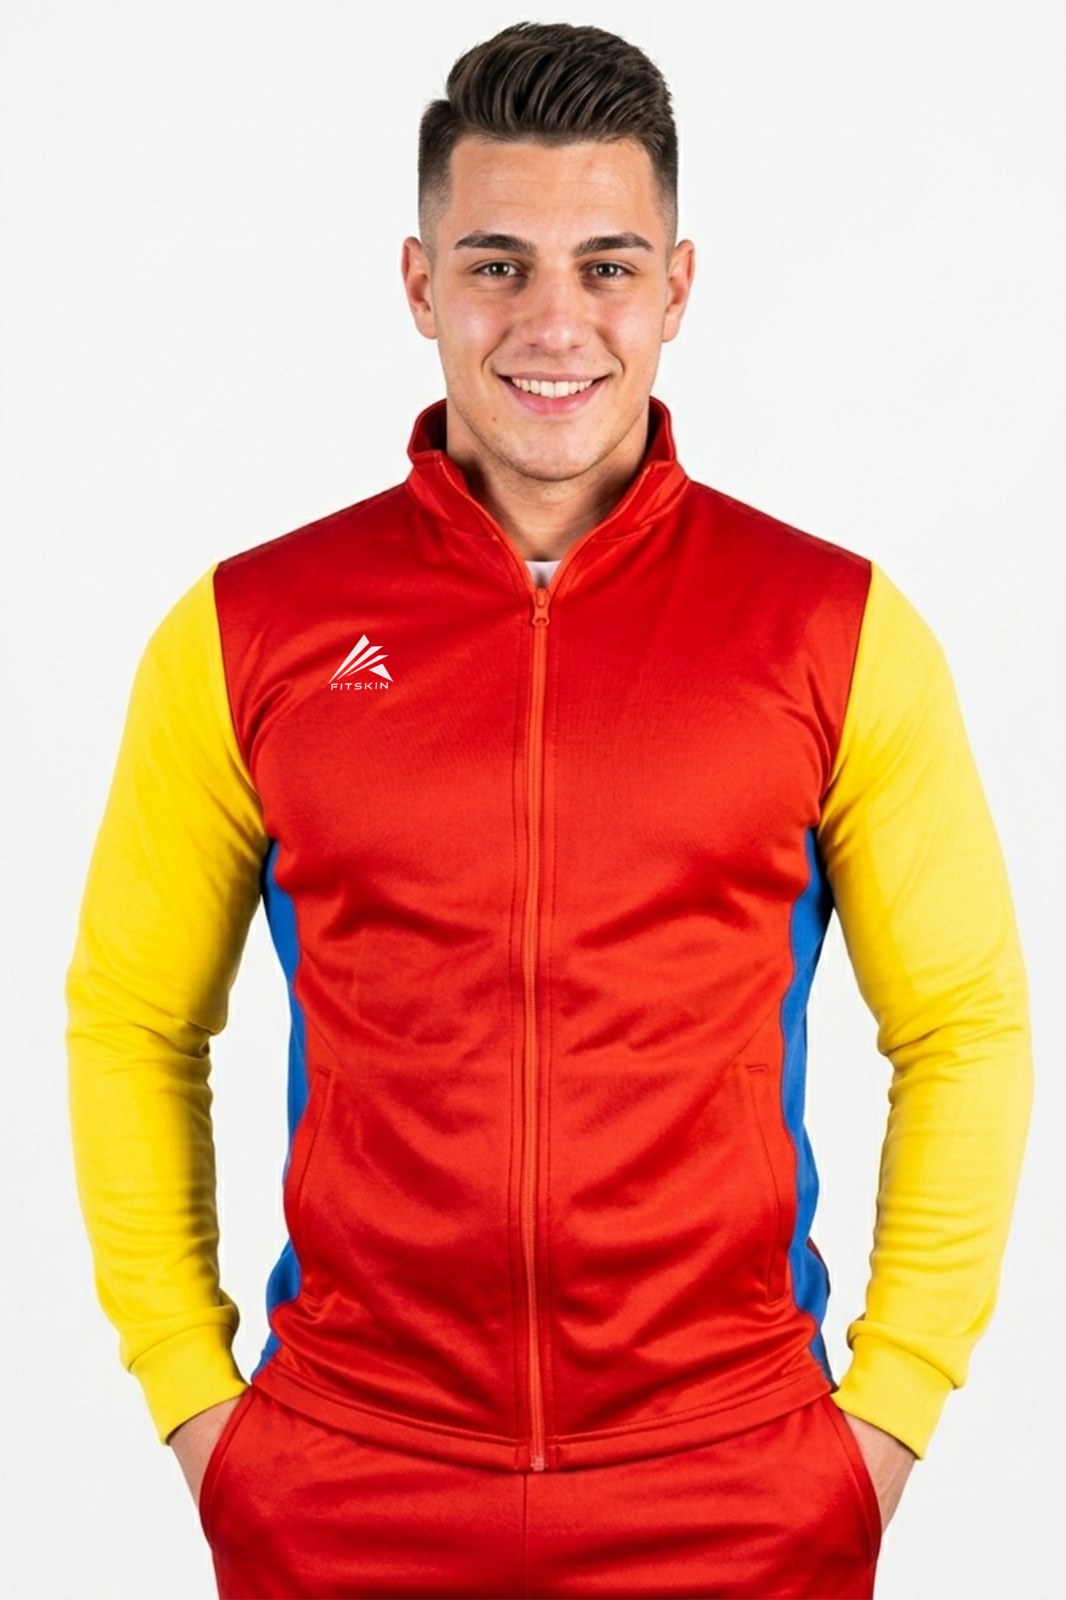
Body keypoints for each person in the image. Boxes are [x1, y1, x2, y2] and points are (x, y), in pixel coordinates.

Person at [67, 21, 1031, 1600]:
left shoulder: (832, 629)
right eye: (497, 265)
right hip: (349, 1480)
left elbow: (964, 1024)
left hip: (729, 1482)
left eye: (607, 266)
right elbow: (131, 1018)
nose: (554, 323)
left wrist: (884, 1418)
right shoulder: (249, 630)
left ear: (677, 287)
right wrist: (196, 1399)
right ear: (418, 283)